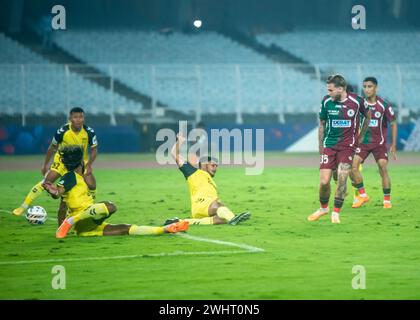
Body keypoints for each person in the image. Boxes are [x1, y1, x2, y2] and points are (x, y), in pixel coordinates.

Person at [42, 145, 189, 238]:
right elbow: (59, 192)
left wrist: (61, 230)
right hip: (82, 220)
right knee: (110, 206)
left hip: (87, 228)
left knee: (125, 229)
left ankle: (166, 229)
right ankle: (71, 221)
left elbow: (61, 206)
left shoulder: (78, 178)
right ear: (81, 161)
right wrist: (54, 190)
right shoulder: (70, 176)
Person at [13, 107, 97, 224]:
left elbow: (94, 149)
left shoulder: (89, 131)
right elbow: (52, 147)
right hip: (62, 161)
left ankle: (89, 206)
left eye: (81, 117)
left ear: (84, 118)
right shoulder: (62, 131)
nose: (78, 120)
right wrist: (45, 164)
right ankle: (23, 206)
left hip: (79, 164)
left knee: (91, 185)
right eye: (75, 117)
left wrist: (89, 165)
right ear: (70, 118)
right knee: (46, 182)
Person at [308, 74, 371, 224]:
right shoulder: (326, 101)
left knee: (343, 176)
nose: (328, 93)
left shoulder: (357, 101)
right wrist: (320, 145)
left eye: (331, 90)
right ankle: (324, 208)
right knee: (324, 182)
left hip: (348, 147)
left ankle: (336, 212)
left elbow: (368, 116)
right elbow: (322, 123)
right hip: (330, 145)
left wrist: (361, 135)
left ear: (341, 89)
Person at [169, 134, 251, 225]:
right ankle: (233, 219)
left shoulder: (212, 183)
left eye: (216, 166)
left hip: (203, 209)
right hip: (201, 204)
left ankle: (181, 221)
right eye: (213, 165)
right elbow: (174, 154)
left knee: (222, 219)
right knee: (219, 207)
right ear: (204, 164)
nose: (215, 168)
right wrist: (179, 141)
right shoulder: (194, 172)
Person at [351, 77, 397, 209]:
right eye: (364, 86)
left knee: (382, 167)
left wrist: (393, 144)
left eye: (369, 86)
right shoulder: (359, 104)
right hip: (363, 143)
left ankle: (387, 201)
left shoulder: (384, 105)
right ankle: (363, 195)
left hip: (379, 144)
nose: (366, 89)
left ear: (376, 88)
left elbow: (393, 123)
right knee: (353, 166)